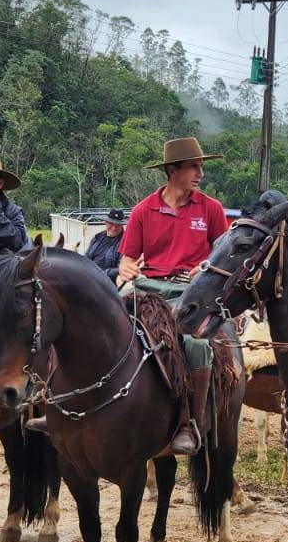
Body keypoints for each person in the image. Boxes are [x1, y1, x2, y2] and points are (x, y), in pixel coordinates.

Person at [118, 137, 230, 455]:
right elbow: (128, 257)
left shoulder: (211, 209)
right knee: (98, 324)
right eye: (194, 166)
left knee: (194, 342)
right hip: (148, 289)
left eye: (200, 166)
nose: (200, 173)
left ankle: (188, 422)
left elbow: (223, 254)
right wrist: (126, 268)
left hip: (190, 293)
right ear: (172, 170)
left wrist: (205, 268)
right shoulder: (143, 210)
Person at [85, 208, 128, 281]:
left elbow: (122, 268)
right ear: (106, 222)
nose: (114, 228)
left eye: (118, 225)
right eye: (111, 224)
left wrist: (101, 273)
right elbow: (87, 256)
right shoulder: (97, 237)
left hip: (108, 281)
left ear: (122, 226)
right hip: (90, 275)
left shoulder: (125, 242)